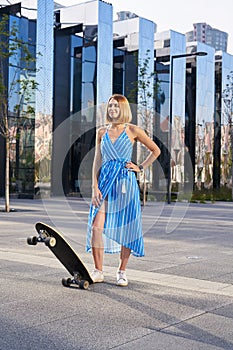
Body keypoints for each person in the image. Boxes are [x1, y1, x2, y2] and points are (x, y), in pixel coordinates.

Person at [86, 94, 161, 286]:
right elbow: (97, 159)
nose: (112, 109)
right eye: (110, 106)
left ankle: (122, 271)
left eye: (116, 106)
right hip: (104, 183)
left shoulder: (134, 130)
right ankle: (98, 271)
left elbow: (156, 150)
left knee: (127, 228)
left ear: (123, 109)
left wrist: (140, 167)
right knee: (96, 226)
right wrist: (94, 185)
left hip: (126, 184)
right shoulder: (101, 132)